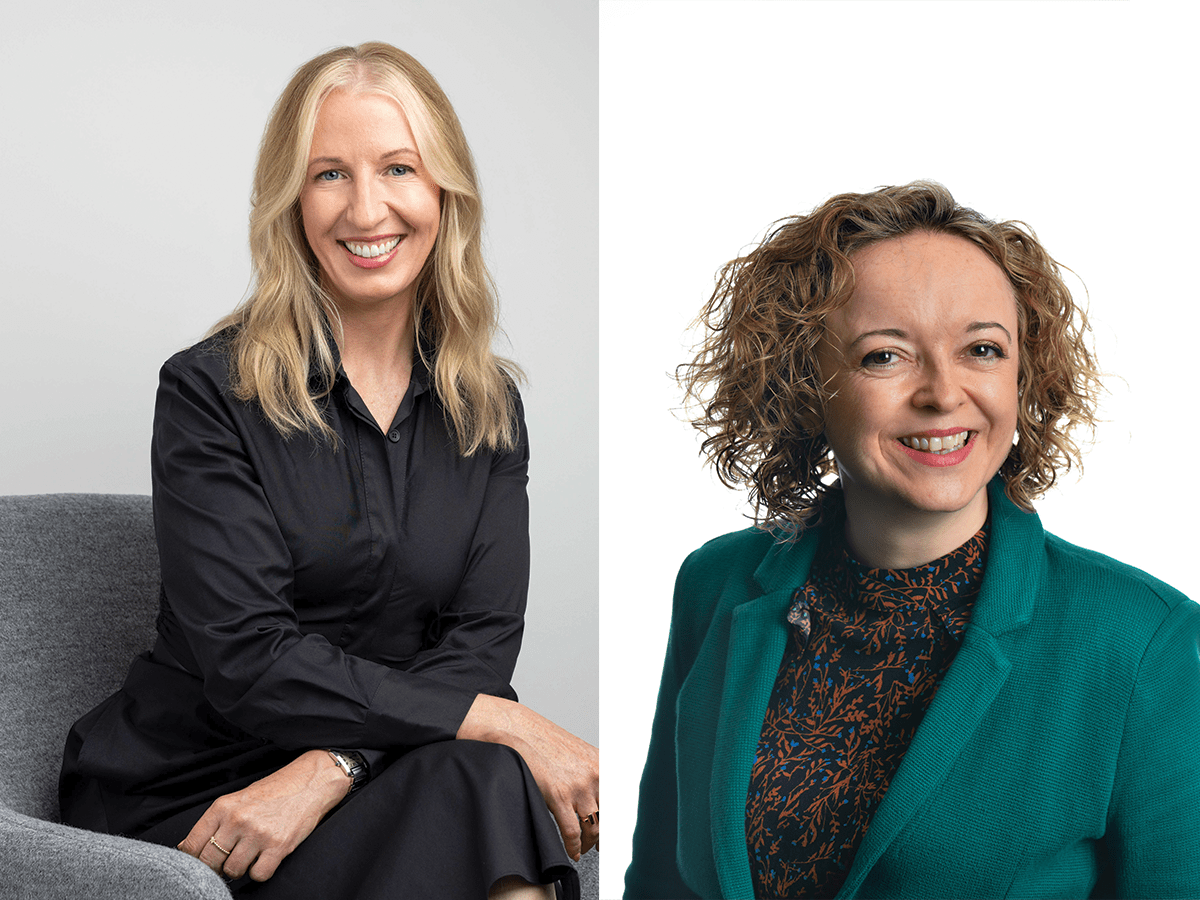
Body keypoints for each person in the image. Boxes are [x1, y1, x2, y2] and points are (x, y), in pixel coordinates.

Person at [59, 42, 598, 900]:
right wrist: (494, 720)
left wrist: (337, 764)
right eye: (329, 175)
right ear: (290, 202)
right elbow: (249, 657)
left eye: (397, 168)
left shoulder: (487, 407)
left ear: (444, 194)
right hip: (201, 796)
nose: (367, 207)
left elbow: (478, 648)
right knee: (491, 771)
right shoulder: (208, 392)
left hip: (361, 782)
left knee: (489, 779)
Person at [624, 182, 1200, 899]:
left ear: (1025, 373)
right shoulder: (716, 584)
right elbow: (659, 879)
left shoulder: (1141, 641)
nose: (942, 393)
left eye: (982, 349)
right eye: (885, 357)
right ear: (805, 381)